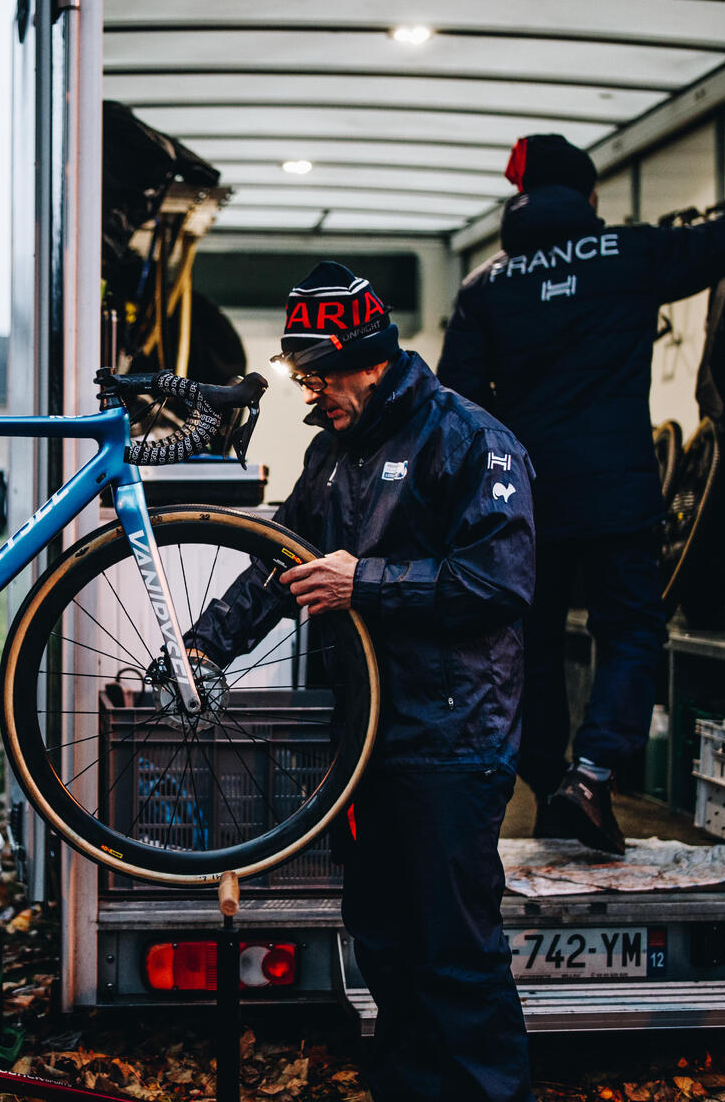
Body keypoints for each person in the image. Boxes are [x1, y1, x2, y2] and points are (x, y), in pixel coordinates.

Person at [185, 261, 536, 1102]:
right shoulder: (330, 453)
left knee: (456, 952)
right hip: (369, 741)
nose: (312, 393)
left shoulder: (473, 439)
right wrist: (203, 649)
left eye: (321, 376)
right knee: (382, 940)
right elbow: (282, 566)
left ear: (370, 361)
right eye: (303, 377)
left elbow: (502, 582)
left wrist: (366, 584)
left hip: (452, 742)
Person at [437, 133, 725, 853]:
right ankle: (592, 774)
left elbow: (459, 402)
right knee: (629, 632)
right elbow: (717, 246)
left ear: (519, 201)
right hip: (618, 492)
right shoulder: (630, 254)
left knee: (530, 645)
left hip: (526, 499)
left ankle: (545, 786)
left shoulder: (484, 287)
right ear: (588, 196)